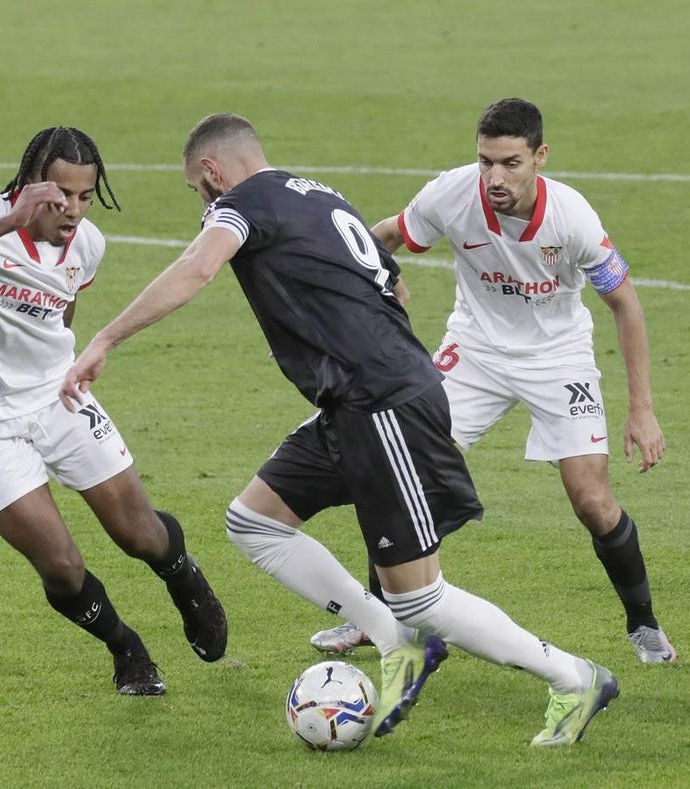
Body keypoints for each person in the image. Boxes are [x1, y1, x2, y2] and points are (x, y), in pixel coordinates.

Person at [60, 113, 619, 746]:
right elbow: (396, 288)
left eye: (198, 188)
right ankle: (392, 639)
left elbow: (197, 268)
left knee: (422, 597)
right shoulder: (317, 194)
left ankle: (574, 677)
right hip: (355, 403)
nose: (202, 202)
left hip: (383, 405)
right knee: (254, 521)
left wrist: (105, 337)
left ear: (212, 172)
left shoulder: (240, 204)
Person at [310, 97, 676, 665]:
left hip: (559, 359)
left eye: (510, 163)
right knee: (399, 468)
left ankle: (644, 624)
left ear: (540, 157)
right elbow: (380, 237)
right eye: (486, 162)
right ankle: (382, 620)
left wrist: (643, 408)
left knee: (593, 502)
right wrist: (381, 278)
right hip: (474, 352)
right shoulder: (451, 194)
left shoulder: (572, 218)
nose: (495, 177)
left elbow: (625, 304)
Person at [0, 126, 227, 697]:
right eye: (60, 196)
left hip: (58, 396)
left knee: (140, 534)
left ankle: (183, 578)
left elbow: (61, 313)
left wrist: (62, 372)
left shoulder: (88, 243)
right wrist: (10, 221)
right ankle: (127, 649)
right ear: (30, 185)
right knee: (61, 566)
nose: (73, 210)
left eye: (85, 196)